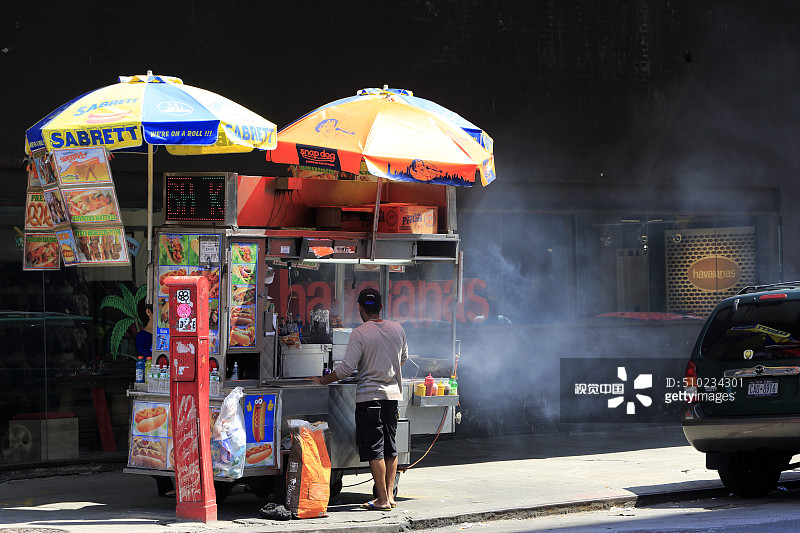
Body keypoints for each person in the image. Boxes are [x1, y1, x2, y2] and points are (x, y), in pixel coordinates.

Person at [310, 288, 408, 511]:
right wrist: (388, 372)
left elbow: (346, 369)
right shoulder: (398, 329)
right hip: (392, 398)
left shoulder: (360, 333)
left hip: (369, 398)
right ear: (381, 307)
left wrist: (323, 380)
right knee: (391, 447)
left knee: (375, 448)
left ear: (361, 308)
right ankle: (390, 496)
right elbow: (403, 358)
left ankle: (382, 499)